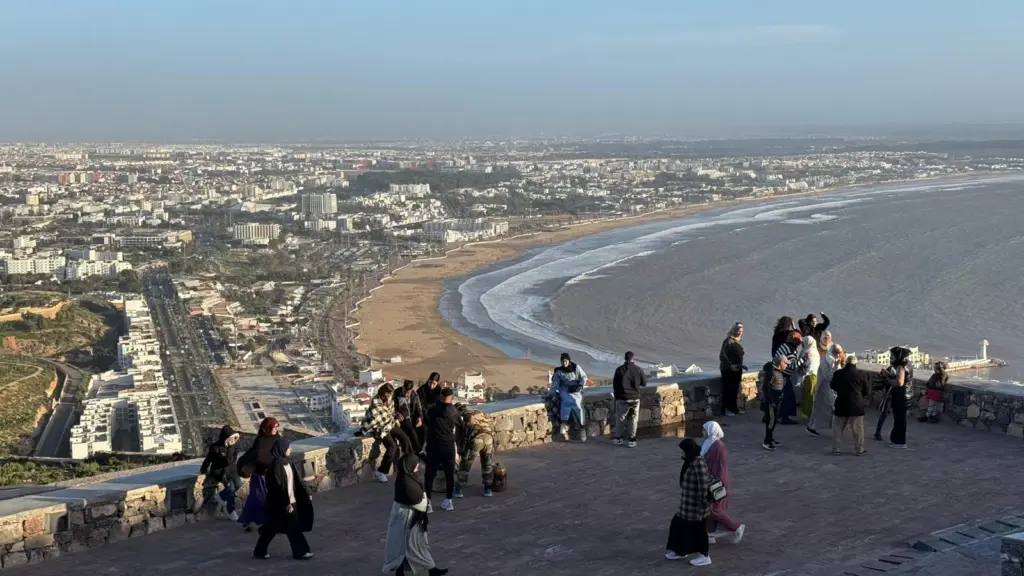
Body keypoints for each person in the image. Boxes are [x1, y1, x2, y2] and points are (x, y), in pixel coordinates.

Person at [382, 454, 450, 576]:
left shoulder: (408, 478)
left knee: (415, 546)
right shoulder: (406, 483)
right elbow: (415, 501)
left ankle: (430, 569)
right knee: (409, 547)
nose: (418, 466)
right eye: (415, 464)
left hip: (412, 520)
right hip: (406, 521)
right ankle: (424, 570)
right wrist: (425, 501)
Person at [253, 437, 314, 561]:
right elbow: (277, 487)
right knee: (292, 528)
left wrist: (305, 494)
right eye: (288, 448)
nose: (290, 449)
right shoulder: (275, 466)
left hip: (291, 500)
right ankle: (301, 552)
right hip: (280, 504)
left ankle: (259, 551)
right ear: (282, 449)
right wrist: (286, 503)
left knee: (272, 528)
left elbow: (296, 481)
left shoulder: (288, 462)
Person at [665, 438, 712, 566]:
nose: (682, 453)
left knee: (699, 531)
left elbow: (703, 485)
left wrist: (703, 504)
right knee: (678, 526)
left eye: (683, 450)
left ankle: (705, 555)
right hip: (687, 505)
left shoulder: (698, 462)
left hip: (696, 507)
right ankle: (680, 551)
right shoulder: (689, 461)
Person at [701, 421, 745, 545]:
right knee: (710, 508)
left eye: (704, 430)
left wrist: (713, 481)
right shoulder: (710, 443)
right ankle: (710, 534)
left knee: (714, 510)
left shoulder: (717, 447)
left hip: (717, 482)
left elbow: (719, 467)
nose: (702, 432)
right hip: (713, 480)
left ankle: (736, 527)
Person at [361, 383, 414, 483]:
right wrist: (394, 417)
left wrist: (396, 414)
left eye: (390, 394)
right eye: (387, 393)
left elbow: (391, 412)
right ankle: (382, 471)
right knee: (392, 447)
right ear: (383, 392)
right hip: (380, 427)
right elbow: (380, 419)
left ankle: (408, 463)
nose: (389, 395)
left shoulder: (389, 399)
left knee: (405, 438)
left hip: (390, 423)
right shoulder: (375, 401)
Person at [237, 417, 279, 532]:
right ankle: (251, 520)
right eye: (274, 427)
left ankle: (262, 520)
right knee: (257, 497)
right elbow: (257, 456)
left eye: (277, 427)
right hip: (259, 474)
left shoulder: (277, 438)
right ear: (268, 427)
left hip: (271, 473)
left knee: (267, 498)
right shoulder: (261, 440)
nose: (276, 429)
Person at [424, 387, 460, 512]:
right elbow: (460, 425)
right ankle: (449, 501)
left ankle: (428, 503)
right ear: (451, 398)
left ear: (440, 396)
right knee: (449, 474)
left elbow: (426, 421)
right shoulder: (454, 411)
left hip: (434, 446)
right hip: (448, 446)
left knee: (429, 474)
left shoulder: (433, 409)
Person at [200, 425, 242, 521]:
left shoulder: (234, 445)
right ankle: (231, 511)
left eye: (234, 438)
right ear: (226, 438)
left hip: (232, 470)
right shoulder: (215, 447)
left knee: (239, 484)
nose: (233, 440)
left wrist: (231, 461)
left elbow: (234, 456)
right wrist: (204, 468)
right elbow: (208, 459)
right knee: (231, 489)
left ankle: (220, 496)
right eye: (231, 438)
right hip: (221, 472)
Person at [830, 354, 870, 455]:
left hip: (841, 403)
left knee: (837, 428)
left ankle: (836, 448)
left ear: (846, 363)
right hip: (856, 405)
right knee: (858, 429)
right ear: (855, 364)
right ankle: (859, 449)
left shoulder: (838, 373)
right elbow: (867, 391)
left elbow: (833, 386)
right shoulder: (861, 374)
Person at [454, 403, 495, 498]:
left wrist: (461, 451)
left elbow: (458, 437)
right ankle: (488, 489)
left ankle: (458, 489)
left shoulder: (460, 416)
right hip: (488, 437)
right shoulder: (478, 412)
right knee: (487, 464)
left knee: (465, 464)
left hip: (476, 439)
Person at [611, 350, 647, 447]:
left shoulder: (619, 370)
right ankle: (632, 440)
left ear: (625, 358)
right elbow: (644, 383)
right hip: (635, 398)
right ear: (633, 358)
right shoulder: (638, 369)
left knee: (621, 418)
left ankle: (618, 438)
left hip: (623, 398)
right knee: (633, 419)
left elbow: (615, 385)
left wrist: (617, 396)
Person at [807, 336, 842, 436]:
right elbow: (829, 376)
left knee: (825, 407)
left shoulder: (832, 358)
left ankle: (814, 426)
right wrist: (836, 366)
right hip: (823, 388)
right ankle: (812, 426)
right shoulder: (827, 361)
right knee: (824, 407)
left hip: (828, 388)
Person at [880, 347, 913, 449]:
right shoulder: (907, 365)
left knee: (899, 420)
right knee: (900, 420)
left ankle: (900, 442)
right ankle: (897, 441)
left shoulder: (900, 367)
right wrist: (889, 374)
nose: (890, 357)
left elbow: (899, 383)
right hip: (905, 396)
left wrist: (887, 376)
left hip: (900, 397)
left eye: (892, 356)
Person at [550, 352, 588, 442]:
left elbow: (584, 377)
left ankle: (582, 429)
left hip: (576, 390)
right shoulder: (559, 372)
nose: (564, 363)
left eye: (566, 361)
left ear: (569, 361)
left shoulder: (576, 368)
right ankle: (563, 424)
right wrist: (552, 393)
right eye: (563, 361)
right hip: (565, 390)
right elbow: (555, 383)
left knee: (578, 406)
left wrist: (581, 385)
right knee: (566, 402)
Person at [774, 330, 803, 425]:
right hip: (782, 375)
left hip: (778, 372)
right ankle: (784, 418)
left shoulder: (785, 345)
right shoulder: (790, 350)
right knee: (787, 397)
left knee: (779, 396)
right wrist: (804, 359)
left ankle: (773, 416)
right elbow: (792, 366)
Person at [761, 355, 788, 451]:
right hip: (771, 402)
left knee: (774, 420)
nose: (787, 365)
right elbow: (766, 387)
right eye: (785, 363)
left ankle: (771, 438)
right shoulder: (772, 373)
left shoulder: (778, 372)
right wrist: (770, 401)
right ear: (781, 363)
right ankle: (767, 441)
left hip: (777, 401)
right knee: (771, 421)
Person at [718, 323, 746, 416]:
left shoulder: (739, 341)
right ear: (734, 330)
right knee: (728, 389)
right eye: (738, 331)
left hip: (737, 369)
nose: (740, 333)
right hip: (728, 369)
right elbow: (722, 355)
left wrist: (741, 366)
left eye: (741, 331)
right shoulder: (728, 341)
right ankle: (726, 410)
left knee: (735, 389)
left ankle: (734, 409)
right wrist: (730, 365)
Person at [396, 380, 425, 454]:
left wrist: (420, 418)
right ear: (403, 387)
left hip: (412, 416)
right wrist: (396, 413)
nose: (406, 394)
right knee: (411, 430)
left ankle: (416, 451)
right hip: (403, 417)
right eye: (405, 391)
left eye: (408, 392)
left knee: (423, 430)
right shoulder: (396, 393)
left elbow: (419, 408)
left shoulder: (415, 395)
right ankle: (419, 451)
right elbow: (391, 407)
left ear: (411, 390)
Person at [797, 333, 820, 423]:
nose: (802, 344)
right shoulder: (810, 351)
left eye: (803, 343)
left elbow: (806, 365)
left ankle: (808, 414)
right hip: (810, 376)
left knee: (809, 396)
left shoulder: (809, 352)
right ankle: (806, 413)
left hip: (809, 376)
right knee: (807, 395)